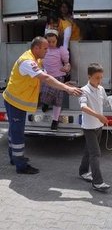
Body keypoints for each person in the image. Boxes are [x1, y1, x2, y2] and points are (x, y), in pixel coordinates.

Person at [3, 36, 82, 174]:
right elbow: (45, 78)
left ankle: (14, 158)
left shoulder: (37, 60)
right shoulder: (27, 62)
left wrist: (64, 84)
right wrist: (66, 89)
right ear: (36, 48)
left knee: (14, 131)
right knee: (17, 133)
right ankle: (20, 165)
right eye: (45, 48)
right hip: (15, 102)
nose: (48, 50)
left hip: (15, 100)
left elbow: (46, 76)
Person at [78, 63, 112, 192]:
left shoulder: (100, 89)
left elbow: (106, 102)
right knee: (95, 153)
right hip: (89, 127)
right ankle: (97, 182)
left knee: (88, 150)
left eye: (101, 77)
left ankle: (83, 171)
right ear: (89, 76)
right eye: (96, 77)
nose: (99, 80)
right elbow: (83, 107)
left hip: (99, 126)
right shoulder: (83, 90)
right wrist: (99, 116)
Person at [40, 29, 71, 130]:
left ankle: (55, 120)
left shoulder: (61, 50)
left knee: (58, 100)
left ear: (58, 40)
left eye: (53, 41)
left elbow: (67, 63)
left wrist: (66, 67)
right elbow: (39, 61)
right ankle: (45, 102)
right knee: (46, 92)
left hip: (59, 76)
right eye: (49, 41)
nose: (51, 43)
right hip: (47, 76)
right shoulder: (43, 50)